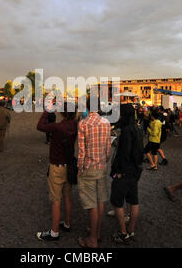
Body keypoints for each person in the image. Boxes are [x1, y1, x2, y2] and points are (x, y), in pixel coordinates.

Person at [35, 103, 78, 242]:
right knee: (67, 196)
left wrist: (47, 110)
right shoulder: (75, 125)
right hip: (69, 165)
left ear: (62, 113)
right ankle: (67, 223)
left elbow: (40, 126)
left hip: (57, 165)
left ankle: (54, 232)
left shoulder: (57, 127)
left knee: (56, 199)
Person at [77, 99, 111, 248]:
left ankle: (92, 240)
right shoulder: (106, 123)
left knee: (92, 204)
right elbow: (108, 148)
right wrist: (105, 160)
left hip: (89, 167)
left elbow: (81, 151)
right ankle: (96, 233)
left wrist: (80, 168)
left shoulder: (83, 123)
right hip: (102, 166)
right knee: (100, 199)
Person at [110, 104, 143, 244]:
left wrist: (118, 171)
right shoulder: (138, 128)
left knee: (117, 202)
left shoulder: (127, 130)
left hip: (125, 171)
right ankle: (131, 231)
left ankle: (123, 233)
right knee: (133, 201)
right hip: (135, 169)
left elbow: (124, 153)